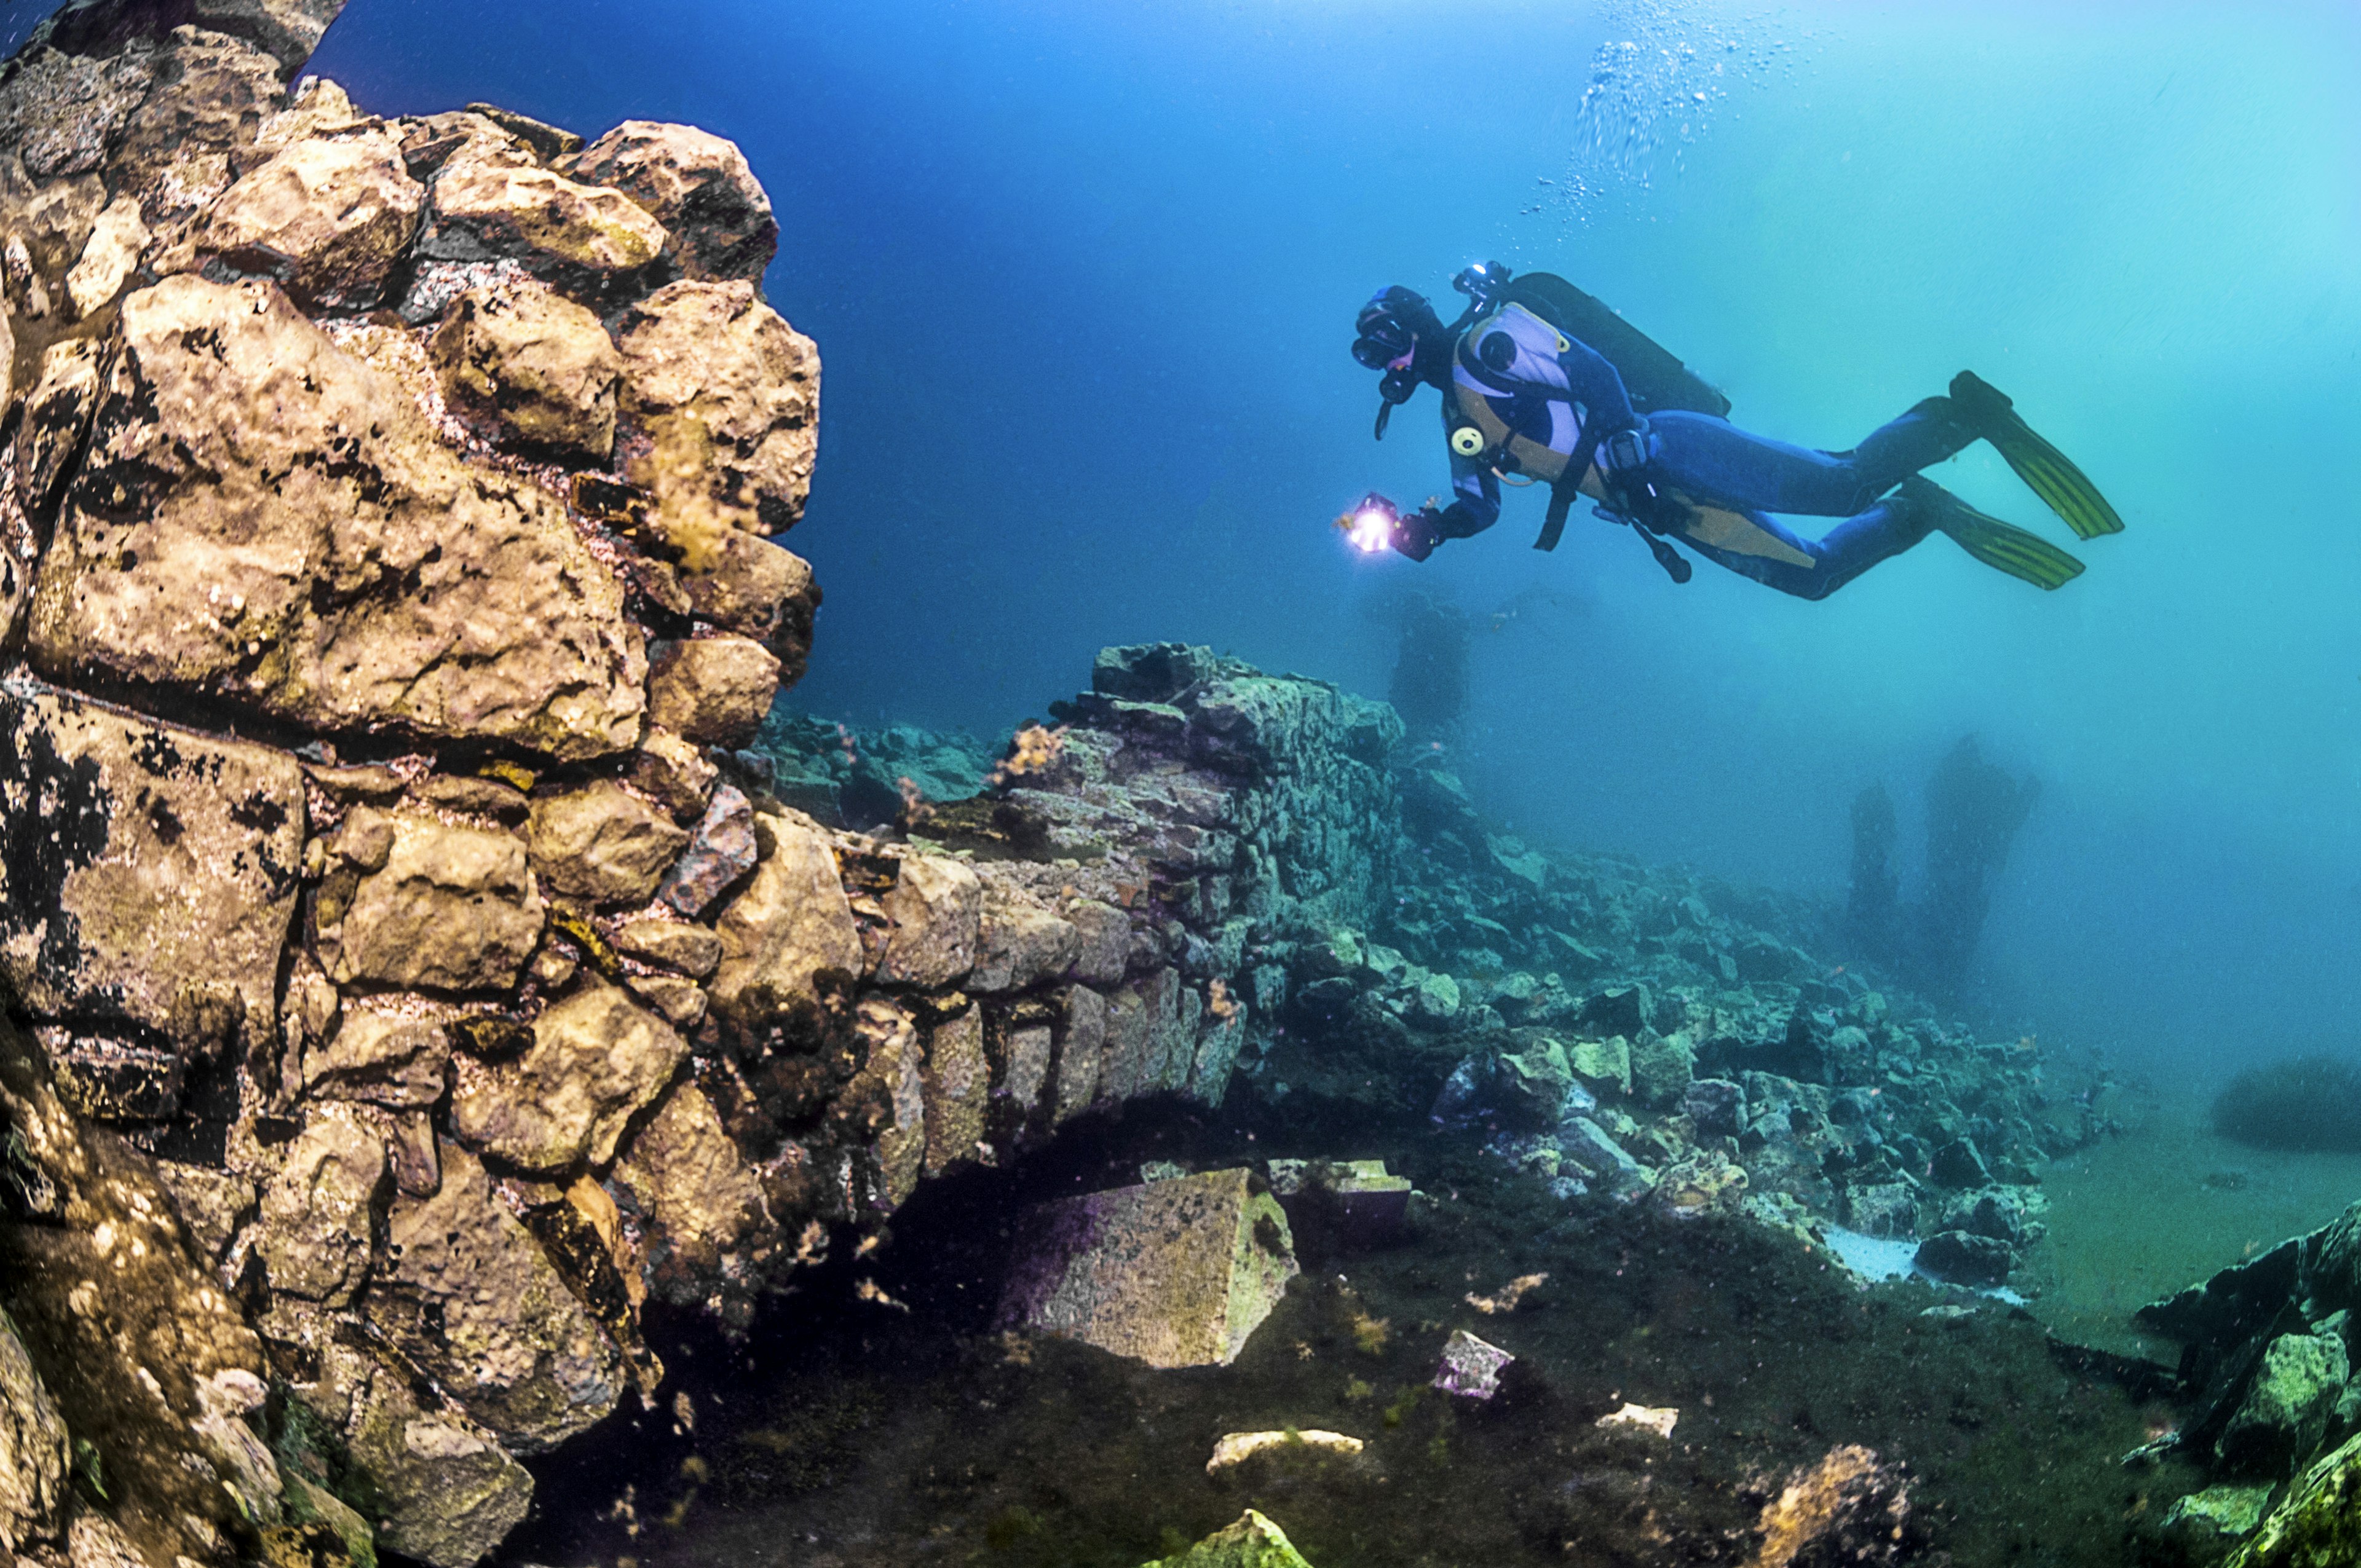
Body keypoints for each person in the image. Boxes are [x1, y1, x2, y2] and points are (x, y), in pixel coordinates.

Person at [1343, 263, 2121, 597]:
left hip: (1668, 446)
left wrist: (1624, 446)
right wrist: (1430, 529)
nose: (1385, 367)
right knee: (1810, 576)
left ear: (1413, 329)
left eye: (1384, 345)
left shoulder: (1492, 340)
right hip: (1656, 502)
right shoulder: (1459, 421)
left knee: (1842, 483)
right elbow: (1480, 504)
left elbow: (1595, 375)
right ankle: (1919, 510)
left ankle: (1962, 413)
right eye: (1375, 356)